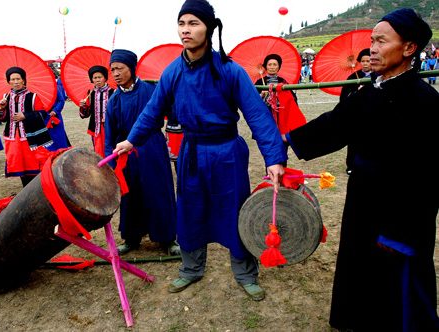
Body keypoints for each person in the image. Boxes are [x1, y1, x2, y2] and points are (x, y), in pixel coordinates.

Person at [113, 0, 286, 301]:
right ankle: (191, 269)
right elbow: (152, 112)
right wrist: (131, 140)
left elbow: (257, 114)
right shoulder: (172, 73)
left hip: (227, 151)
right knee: (190, 211)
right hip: (191, 152)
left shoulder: (230, 70)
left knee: (234, 210)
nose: (186, 30)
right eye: (182, 24)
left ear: (209, 27)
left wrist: (273, 158)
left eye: (193, 23)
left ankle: (245, 272)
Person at [284, 8, 438, 331]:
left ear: (409, 48)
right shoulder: (367, 94)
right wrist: (283, 142)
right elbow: (331, 127)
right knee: (360, 268)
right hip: (363, 199)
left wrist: (401, 233)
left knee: (400, 288)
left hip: (400, 214)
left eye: (381, 41)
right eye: (372, 41)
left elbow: (429, 179)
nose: (374, 49)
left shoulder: (427, 103)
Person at [105, 49, 179, 256]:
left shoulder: (151, 90)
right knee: (131, 195)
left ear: (131, 67)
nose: (116, 73)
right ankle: (131, 238)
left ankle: (168, 239)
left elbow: (173, 112)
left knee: (158, 192)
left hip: (152, 147)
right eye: (113, 70)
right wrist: (110, 165)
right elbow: (109, 135)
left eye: (120, 68)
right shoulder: (114, 100)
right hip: (125, 154)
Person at [0, 67, 53, 187]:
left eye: (18, 79)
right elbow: (2, 119)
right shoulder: (5, 97)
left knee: (33, 163)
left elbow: (42, 114)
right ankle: (26, 188)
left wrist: (25, 115)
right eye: (12, 79)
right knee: (19, 164)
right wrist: (1, 108)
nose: (16, 82)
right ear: (9, 82)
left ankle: (37, 187)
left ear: (23, 80)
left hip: (30, 137)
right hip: (13, 137)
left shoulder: (33, 96)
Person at [339, 48, 371, 175]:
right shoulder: (353, 77)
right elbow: (344, 97)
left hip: (371, 114)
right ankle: (351, 165)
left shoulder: (379, 76)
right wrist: (356, 92)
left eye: (368, 61)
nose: (365, 63)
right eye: (363, 61)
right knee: (353, 141)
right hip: (356, 115)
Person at [79, 65, 114, 158]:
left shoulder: (113, 92)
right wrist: (83, 106)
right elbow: (85, 115)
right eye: (95, 78)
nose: (97, 80)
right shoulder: (90, 93)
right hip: (96, 128)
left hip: (111, 128)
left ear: (105, 78)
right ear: (92, 79)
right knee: (98, 152)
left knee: (111, 149)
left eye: (100, 77)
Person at [43, 70, 71, 151]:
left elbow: (61, 100)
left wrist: (55, 110)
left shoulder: (55, 87)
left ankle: (61, 153)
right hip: (43, 117)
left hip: (55, 117)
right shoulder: (37, 90)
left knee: (59, 137)